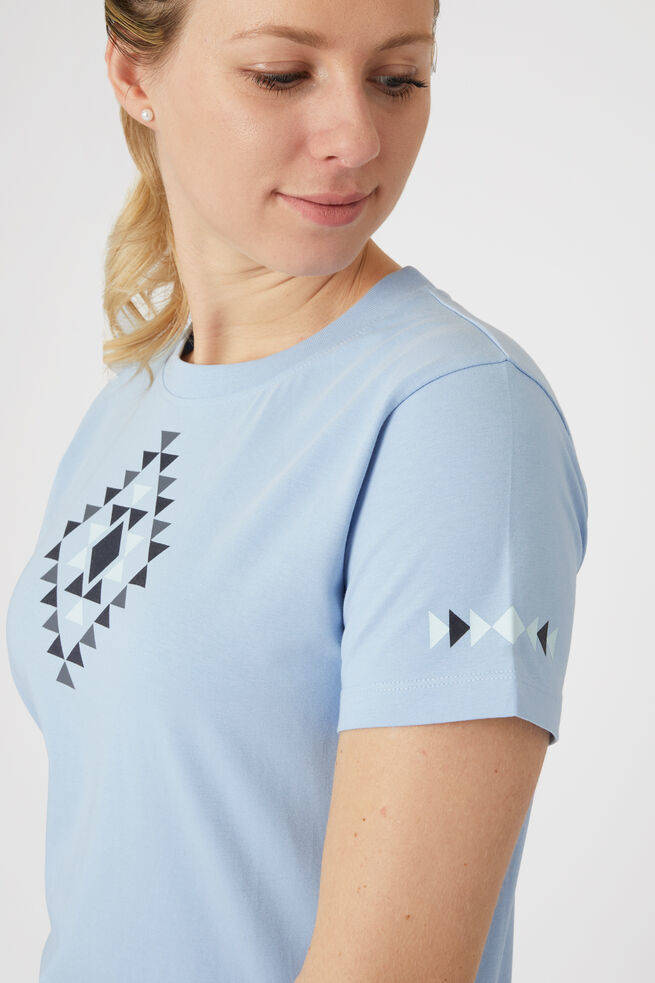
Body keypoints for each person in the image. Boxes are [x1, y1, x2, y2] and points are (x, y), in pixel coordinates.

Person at [5, 1, 589, 981]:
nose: (356, 138)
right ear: (134, 76)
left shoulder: (457, 415)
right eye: (280, 74)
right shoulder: (137, 393)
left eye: (398, 79)